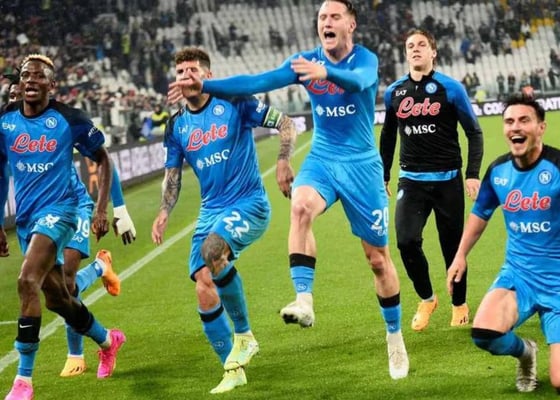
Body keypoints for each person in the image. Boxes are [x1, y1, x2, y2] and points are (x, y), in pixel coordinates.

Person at [168, 0, 409, 380]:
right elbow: (256, 83)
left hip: (361, 165)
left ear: (351, 25)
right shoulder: (304, 61)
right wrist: (205, 85)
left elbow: (360, 82)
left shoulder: (365, 59)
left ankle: (394, 336)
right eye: (322, 17)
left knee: (378, 259)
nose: (326, 22)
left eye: (334, 16)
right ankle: (304, 299)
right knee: (300, 206)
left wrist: (325, 72)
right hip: (323, 158)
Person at [151, 47, 297, 394]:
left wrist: (283, 160)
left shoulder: (234, 101)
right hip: (210, 211)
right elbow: (173, 175)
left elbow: (286, 123)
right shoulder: (176, 124)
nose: (186, 76)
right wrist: (164, 210)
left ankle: (244, 335)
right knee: (203, 284)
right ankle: (233, 370)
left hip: (249, 203)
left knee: (213, 251)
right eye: (180, 71)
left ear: (209, 76)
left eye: (192, 70)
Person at [0, 54, 126, 400]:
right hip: (27, 218)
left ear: (52, 85)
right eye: (26, 75)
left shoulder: (70, 120)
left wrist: (103, 208)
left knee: (26, 280)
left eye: (39, 76)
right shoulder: (6, 121)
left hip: (63, 210)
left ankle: (23, 381)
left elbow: (103, 158)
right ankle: (107, 340)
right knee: (59, 298)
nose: (30, 80)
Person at [447, 93, 560, 395]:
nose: (515, 127)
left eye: (524, 120)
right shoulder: (498, 171)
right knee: (484, 333)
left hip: (557, 282)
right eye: (509, 121)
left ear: (541, 127)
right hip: (519, 276)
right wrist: (460, 255)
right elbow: (480, 214)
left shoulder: (557, 167)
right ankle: (526, 352)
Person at [379, 28, 484, 332]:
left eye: (421, 45)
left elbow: (474, 132)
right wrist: (384, 174)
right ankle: (427, 298)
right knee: (406, 241)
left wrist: (472, 174)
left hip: (448, 180)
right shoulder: (394, 92)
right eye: (410, 45)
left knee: (453, 249)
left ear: (433, 52)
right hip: (411, 181)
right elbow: (388, 135)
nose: (415, 49)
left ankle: (459, 303)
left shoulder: (451, 88)